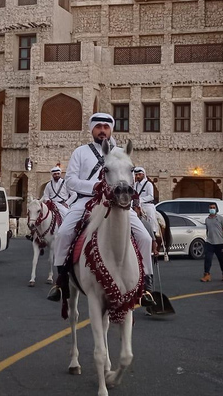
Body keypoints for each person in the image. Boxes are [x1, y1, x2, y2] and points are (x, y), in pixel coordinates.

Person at [47, 113, 154, 304]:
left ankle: (145, 285)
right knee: (63, 233)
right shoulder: (80, 152)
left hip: (116, 202)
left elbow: (129, 176)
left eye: (106, 127)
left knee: (145, 237)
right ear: (92, 130)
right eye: (99, 127)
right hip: (85, 201)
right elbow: (70, 181)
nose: (102, 130)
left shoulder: (120, 152)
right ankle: (61, 281)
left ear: (111, 129)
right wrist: (94, 187)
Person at [200, 203, 223, 282]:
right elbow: (207, 230)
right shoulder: (207, 219)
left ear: (216, 209)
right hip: (210, 243)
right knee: (207, 259)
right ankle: (207, 275)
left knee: (221, 260)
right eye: (210, 207)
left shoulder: (220, 218)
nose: (212, 209)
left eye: (213, 207)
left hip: (219, 243)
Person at [133, 167, 158, 238]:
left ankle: (153, 233)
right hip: (137, 205)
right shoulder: (135, 184)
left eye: (139, 174)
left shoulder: (148, 184)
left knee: (151, 217)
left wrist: (140, 199)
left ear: (143, 175)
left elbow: (151, 196)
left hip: (147, 205)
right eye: (136, 175)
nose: (137, 176)